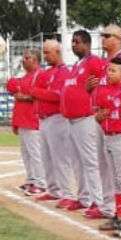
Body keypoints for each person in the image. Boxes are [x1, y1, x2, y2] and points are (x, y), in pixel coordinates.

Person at [63, 29, 107, 216]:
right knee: (76, 161)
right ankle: (84, 197)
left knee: (90, 162)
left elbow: (104, 81)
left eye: (78, 41)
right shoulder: (75, 66)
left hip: (86, 118)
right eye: (72, 41)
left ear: (87, 44)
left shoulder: (94, 61)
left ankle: (98, 201)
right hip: (72, 120)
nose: (74, 44)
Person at [30, 39, 75, 208]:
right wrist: (39, 92)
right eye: (44, 52)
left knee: (60, 158)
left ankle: (68, 193)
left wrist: (38, 92)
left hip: (57, 118)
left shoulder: (64, 72)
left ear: (58, 52)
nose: (45, 55)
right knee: (47, 157)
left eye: (48, 52)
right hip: (43, 118)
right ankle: (54, 189)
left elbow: (57, 96)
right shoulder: (47, 72)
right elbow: (37, 91)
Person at [95, 24, 121, 226]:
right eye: (102, 35)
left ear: (119, 38)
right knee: (115, 175)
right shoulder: (105, 68)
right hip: (108, 130)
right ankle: (119, 212)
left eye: (107, 35)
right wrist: (98, 114)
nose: (103, 38)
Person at [7, 49, 44, 196]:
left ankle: (41, 183)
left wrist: (23, 96)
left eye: (27, 58)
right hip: (23, 120)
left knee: (36, 153)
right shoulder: (25, 77)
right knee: (26, 153)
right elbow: (12, 87)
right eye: (24, 57)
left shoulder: (39, 75)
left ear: (35, 60)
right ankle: (32, 179)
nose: (24, 60)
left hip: (33, 120)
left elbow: (36, 95)